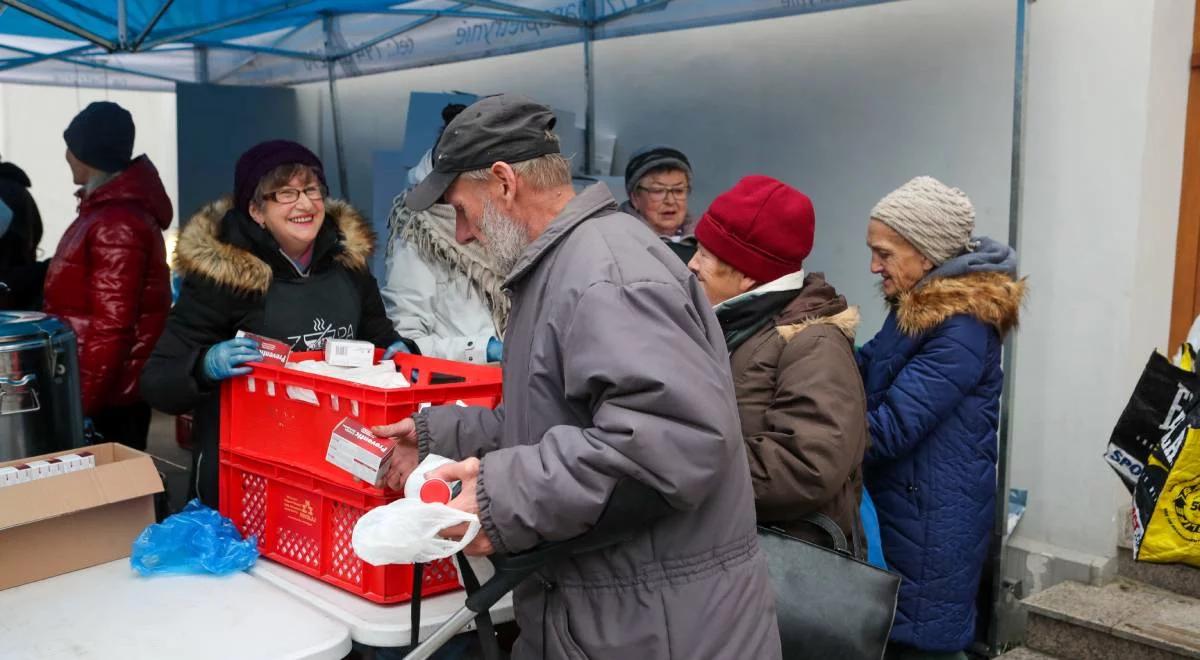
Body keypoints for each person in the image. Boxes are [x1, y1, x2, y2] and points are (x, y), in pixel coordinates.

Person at [374, 94, 781, 660]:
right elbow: (558, 421)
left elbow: (671, 443)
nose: (462, 234)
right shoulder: (567, 264)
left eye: (462, 211)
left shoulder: (606, 274)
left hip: (658, 628)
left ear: (503, 182)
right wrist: (436, 437)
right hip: (617, 608)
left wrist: (501, 495)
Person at [140, 140, 415, 508]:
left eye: (312, 190)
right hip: (247, 470)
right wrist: (204, 364)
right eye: (285, 194)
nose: (304, 204)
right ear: (256, 210)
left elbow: (379, 336)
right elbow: (157, 382)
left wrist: (401, 352)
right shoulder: (222, 278)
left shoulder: (348, 266)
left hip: (338, 461)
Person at [857, 176, 1024, 659]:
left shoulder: (962, 328)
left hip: (929, 525)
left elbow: (888, 431)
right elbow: (867, 366)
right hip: (908, 510)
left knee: (919, 644)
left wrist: (812, 433)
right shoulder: (919, 309)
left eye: (884, 253)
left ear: (926, 255)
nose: (874, 266)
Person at [688, 174, 868, 549]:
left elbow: (807, 466)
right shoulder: (736, 325)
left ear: (747, 273)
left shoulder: (814, 343)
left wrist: (685, 462)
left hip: (784, 570)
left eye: (705, 254)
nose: (691, 264)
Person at [43, 102, 172, 449]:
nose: (66, 156)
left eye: (70, 147)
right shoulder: (105, 213)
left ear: (87, 153)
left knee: (111, 494)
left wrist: (82, 404)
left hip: (109, 395)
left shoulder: (116, 223)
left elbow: (113, 327)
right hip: (105, 387)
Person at [382, 103, 507, 363]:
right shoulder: (420, 230)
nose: (465, 233)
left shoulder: (505, 219)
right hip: (461, 388)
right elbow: (408, 340)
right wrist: (484, 349)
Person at [620, 144, 698, 263]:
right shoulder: (619, 242)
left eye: (678, 191)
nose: (670, 201)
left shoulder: (707, 240)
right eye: (658, 191)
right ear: (635, 198)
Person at [0, 155, 46, 310]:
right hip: (20, 288)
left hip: (8, 292)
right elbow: (37, 231)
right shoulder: (18, 189)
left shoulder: (5, 192)